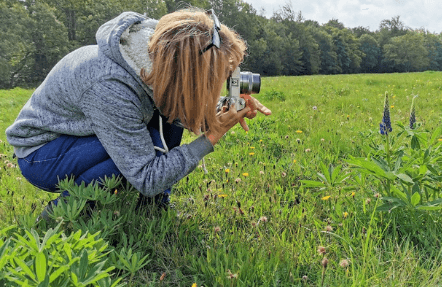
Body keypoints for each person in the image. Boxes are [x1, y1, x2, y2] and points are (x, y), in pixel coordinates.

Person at [5, 8, 271, 219]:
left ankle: (153, 208)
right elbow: (146, 176)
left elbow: (179, 101)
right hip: (42, 154)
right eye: (213, 79)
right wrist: (211, 136)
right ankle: (65, 211)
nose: (219, 83)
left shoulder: (162, 54)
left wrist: (223, 105)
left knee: (170, 112)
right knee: (138, 153)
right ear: (189, 73)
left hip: (85, 130)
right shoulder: (110, 86)